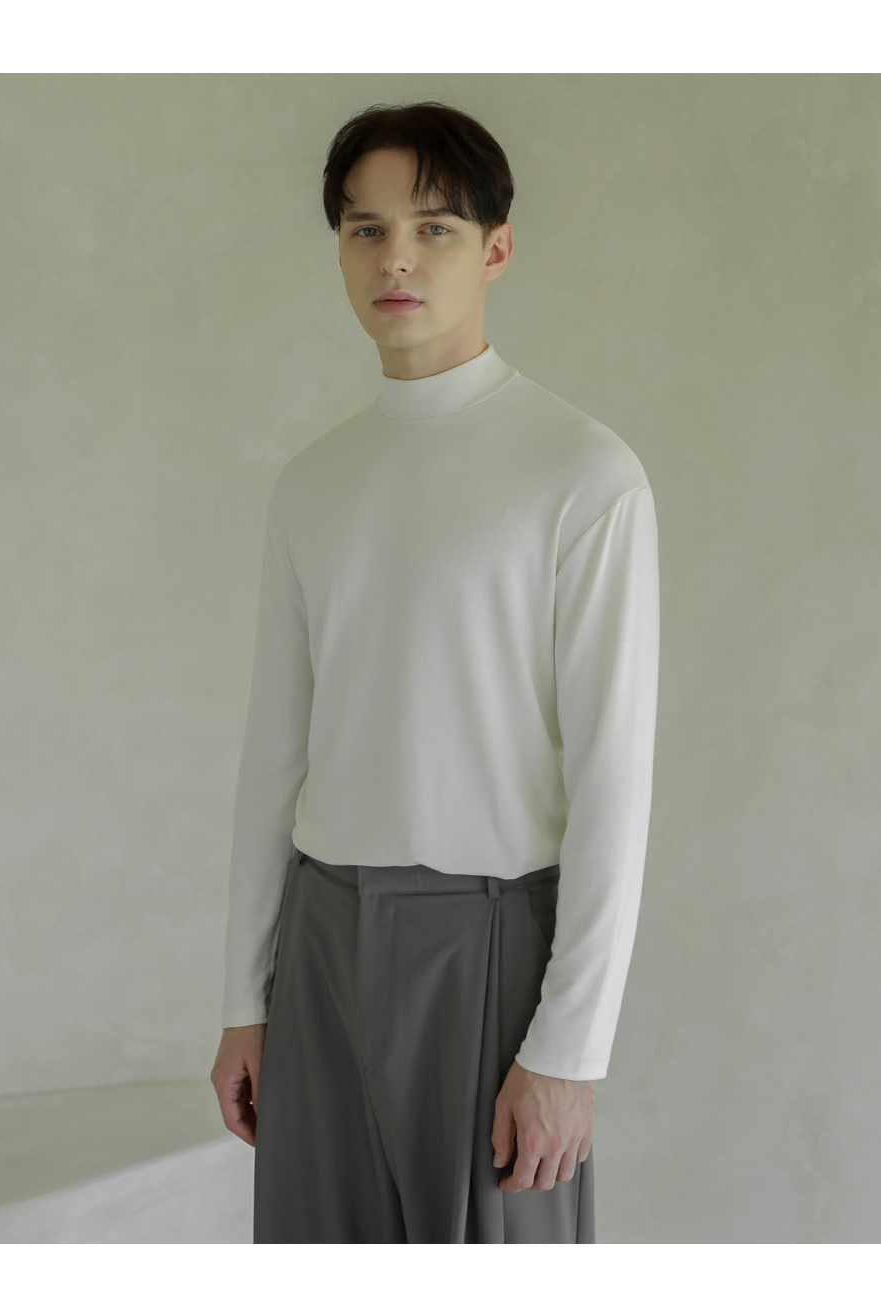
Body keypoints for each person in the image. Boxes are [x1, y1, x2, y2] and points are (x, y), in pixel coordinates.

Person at [210, 99, 659, 1244]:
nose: (394, 259)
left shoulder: (583, 475)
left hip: (490, 946)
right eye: (364, 230)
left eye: (433, 228)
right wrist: (244, 1001)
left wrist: (569, 1049)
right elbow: (273, 759)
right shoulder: (313, 483)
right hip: (320, 939)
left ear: (496, 249)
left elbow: (614, 780)